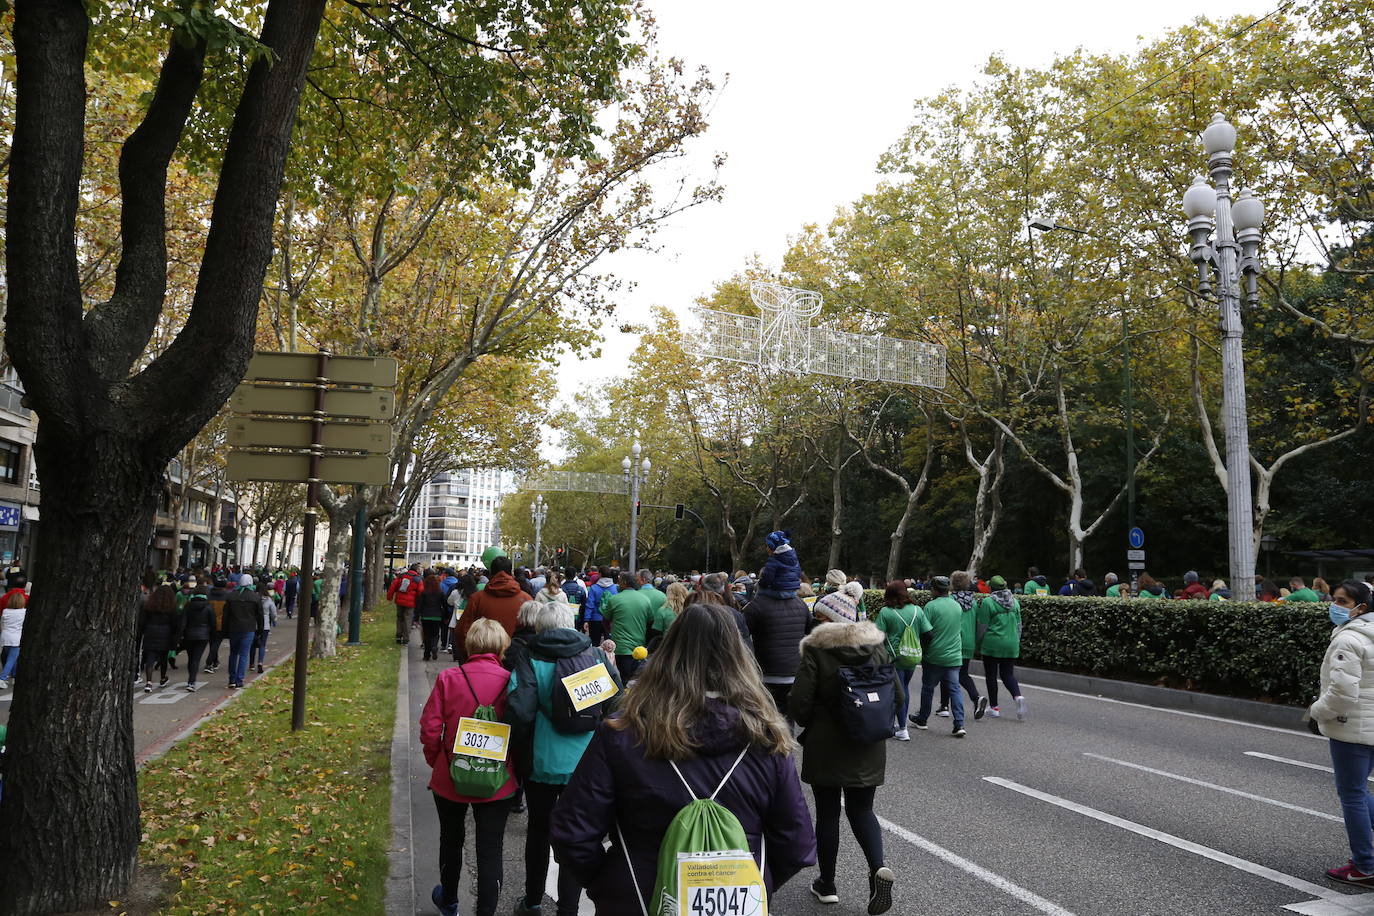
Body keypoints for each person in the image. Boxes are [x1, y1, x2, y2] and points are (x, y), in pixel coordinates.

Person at [550, 603, 817, 916]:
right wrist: (757, 882)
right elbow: (796, 844)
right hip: (735, 902)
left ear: (667, 654)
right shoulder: (768, 739)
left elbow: (573, 832)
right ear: (740, 658)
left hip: (638, 896)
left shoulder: (623, 733)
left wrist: (609, 883)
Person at [507, 603, 624, 916]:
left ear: (540, 628)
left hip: (542, 760)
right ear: (571, 623)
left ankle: (532, 902)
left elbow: (520, 709)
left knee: (539, 831)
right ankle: (568, 908)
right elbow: (617, 702)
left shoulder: (530, 656)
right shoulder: (595, 655)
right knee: (576, 835)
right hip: (586, 763)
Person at [791, 598, 900, 912]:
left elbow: (799, 707)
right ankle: (877, 867)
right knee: (862, 810)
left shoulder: (816, 651)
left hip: (827, 746)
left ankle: (827, 884)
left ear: (827, 618)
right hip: (868, 745)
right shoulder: (877, 647)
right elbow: (899, 697)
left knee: (827, 814)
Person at [419, 618, 518, 916]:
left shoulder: (449, 678)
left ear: (470, 644)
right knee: (490, 849)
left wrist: (436, 759)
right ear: (502, 646)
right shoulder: (511, 680)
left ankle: (449, 900)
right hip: (497, 777)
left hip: (451, 772)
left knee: (450, 839)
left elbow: (429, 727)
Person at [1307, 580, 1374, 885]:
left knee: (1352, 794)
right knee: (1359, 790)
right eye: (1334, 599)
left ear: (1361, 607)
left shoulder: (1348, 640)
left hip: (1352, 728)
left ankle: (1365, 866)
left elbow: (1343, 694)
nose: (1334, 605)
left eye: (1342, 601)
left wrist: (1317, 711)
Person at [744, 573, 811, 719]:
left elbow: (741, 634)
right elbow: (810, 631)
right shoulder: (800, 603)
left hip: (765, 674)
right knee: (788, 719)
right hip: (794, 674)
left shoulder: (756, 605)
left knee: (766, 719)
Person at [909, 576, 967, 737]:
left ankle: (922, 719)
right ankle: (959, 724)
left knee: (928, 688)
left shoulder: (930, 606)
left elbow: (926, 632)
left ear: (934, 590)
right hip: (954, 655)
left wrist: (923, 650)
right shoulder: (957, 606)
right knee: (955, 689)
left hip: (934, 655)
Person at [875, 580, 931, 741]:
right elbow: (929, 634)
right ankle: (901, 725)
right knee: (904, 688)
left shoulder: (886, 612)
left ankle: (901, 728)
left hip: (894, 658)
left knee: (895, 692)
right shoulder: (917, 610)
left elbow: (877, 636)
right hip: (912, 656)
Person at [454, 553, 526, 656]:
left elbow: (461, 631)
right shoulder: (526, 600)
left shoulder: (477, 599)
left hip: (482, 661)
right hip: (516, 663)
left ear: (491, 573)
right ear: (511, 573)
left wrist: (470, 657)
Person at [976, 576, 1025, 719]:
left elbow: (982, 627)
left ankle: (994, 708)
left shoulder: (988, 602)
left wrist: (977, 644)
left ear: (991, 588)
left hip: (993, 643)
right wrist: (1016, 640)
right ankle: (1018, 697)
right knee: (1007, 674)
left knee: (991, 675)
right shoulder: (1015, 602)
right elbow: (1019, 626)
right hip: (1011, 643)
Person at [941, 571, 987, 721]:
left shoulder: (950, 600)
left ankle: (945, 706)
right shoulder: (973, 602)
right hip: (969, 641)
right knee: (963, 673)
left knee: (947, 671)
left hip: (954, 640)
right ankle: (974, 698)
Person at [601, 570, 653, 681]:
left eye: (619, 581)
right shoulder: (645, 600)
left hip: (621, 647)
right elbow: (650, 622)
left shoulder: (614, 599)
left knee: (625, 679)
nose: (617, 584)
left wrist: (610, 633)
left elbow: (605, 620)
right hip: (639, 647)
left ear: (624, 582)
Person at [221, 573, 265, 689]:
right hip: (249, 629)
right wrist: (260, 630)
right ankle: (240, 679)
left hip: (234, 628)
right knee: (244, 654)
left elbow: (226, 615)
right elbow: (260, 615)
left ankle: (232, 679)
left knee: (233, 653)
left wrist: (224, 630)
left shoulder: (231, 596)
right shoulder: (255, 597)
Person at [137, 585, 182, 692]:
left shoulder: (149, 606)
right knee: (163, 657)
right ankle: (162, 677)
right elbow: (175, 624)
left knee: (150, 658)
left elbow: (142, 621)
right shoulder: (171, 608)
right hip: (165, 634)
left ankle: (148, 682)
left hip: (150, 632)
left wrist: (143, 631)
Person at [181, 583, 214, 691]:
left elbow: (183, 622)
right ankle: (192, 681)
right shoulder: (208, 606)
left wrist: (180, 634)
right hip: (203, 635)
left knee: (191, 658)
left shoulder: (188, 605)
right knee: (196, 658)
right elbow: (212, 622)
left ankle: (191, 679)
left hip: (189, 634)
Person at [415, 572, 449, 661]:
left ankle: (427, 654)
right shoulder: (440, 593)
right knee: (435, 634)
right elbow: (445, 604)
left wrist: (416, 616)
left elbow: (419, 605)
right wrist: (446, 616)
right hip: (437, 616)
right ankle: (434, 646)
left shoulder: (424, 593)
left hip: (425, 616)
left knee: (427, 635)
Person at [758, 530, 801, 599]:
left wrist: (760, 584)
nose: (766, 549)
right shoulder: (794, 557)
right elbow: (798, 573)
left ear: (772, 546)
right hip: (794, 592)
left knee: (760, 590)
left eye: (767, 546)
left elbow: (767, 578)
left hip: (780, 592)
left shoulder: (773, 560)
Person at [388, 563, 423, 645]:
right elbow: (420, 592)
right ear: (417, 570)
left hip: (399, 601)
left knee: (399, 618)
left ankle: (398, 636)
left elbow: (393, 587)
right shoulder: (418, 579)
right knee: (408, 620)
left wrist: (389, 597)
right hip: (410, 603)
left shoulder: (401, 576)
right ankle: (406, 639)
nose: (421, 570)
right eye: (420, 568)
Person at [582, 565, 617, 644]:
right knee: (610, 645)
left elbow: (589, 605)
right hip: (610, 621)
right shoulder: (615, 588)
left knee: (595, 644)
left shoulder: (594, 588)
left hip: (595, 619)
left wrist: (586, 620)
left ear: (600, 574)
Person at [0, 591, 25, 689]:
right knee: (11, 659)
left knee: (13, 659)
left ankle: (14, 676)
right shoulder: (24, 612)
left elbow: (2, 624)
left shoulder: (6, 611)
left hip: (5, 638)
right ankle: (2, 678)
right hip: (16, 639)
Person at [252, 581, 277, 674]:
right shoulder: (268, 600)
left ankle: (251, 663)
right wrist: (274, 621)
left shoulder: (253, 598)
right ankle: (260, 662)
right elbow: (273, 612)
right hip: (265, 625)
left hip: (254, 624)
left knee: (252, 645)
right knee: (262, 645)